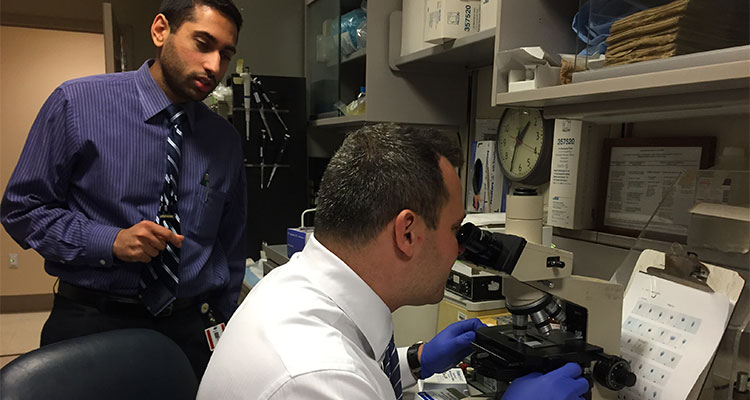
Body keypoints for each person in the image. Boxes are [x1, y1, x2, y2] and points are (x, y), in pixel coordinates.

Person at [197, 124, 589, 399]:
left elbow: (363, 373)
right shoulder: (317, 377)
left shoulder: (297, 286)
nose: (458, 250)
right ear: (407, 233)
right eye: (455, 230)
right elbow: (343, 380)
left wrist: (415, 361)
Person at [0, 0, 246, 379]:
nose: (214, 66)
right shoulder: (75, 104)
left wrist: (227, 322)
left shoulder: (224, 140)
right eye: (202, 43)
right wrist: (108, 241)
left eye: (225, 55)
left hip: (190, 332)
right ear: (161, 30)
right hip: (93, 321)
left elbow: (229, 244)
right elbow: (22, 210)